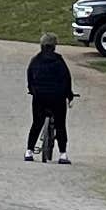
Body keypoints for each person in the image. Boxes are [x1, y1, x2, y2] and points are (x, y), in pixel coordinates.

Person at [24, 34, 73, 163]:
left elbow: (30, 77)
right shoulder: (59, 61)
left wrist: (32, 90)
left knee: (36, 123)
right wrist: (69, 95)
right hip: (57, 97)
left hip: (39, 96)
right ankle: (63, 154)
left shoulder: (36, 60)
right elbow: (67, 79)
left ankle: (29, 152)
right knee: (60, 124)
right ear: (54, 46)